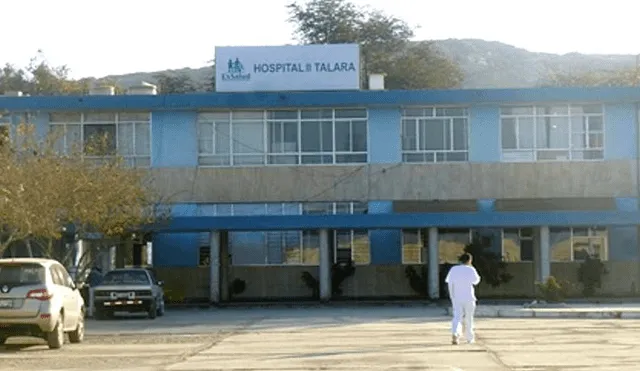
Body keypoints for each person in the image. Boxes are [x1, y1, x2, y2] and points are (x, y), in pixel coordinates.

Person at [445, 253, 481, 345]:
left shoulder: (453, 269)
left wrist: (451, 296)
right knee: (469, 318)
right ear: (469, 260)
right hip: (469, 297)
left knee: (457, 317)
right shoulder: (471, 269)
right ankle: (470, 338)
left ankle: (455, 334)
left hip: (457, 297)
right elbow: (476, 281)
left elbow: (449, 282)